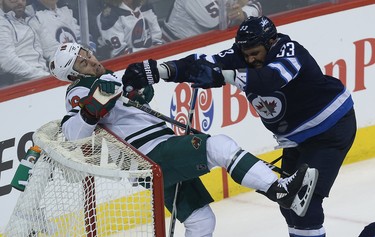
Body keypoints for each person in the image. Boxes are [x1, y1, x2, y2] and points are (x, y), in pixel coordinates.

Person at [49, 42, 318, 237]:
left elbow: (129, 104)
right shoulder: (80, 89)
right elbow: (73, 133)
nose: (92, 60)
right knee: (218, 146)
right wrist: (93, 106)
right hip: (150, 155)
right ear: (73, 75)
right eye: (83, 62)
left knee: (201, 221)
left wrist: (137, 90)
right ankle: (278, 189)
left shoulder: (108, 78)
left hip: (153, 161)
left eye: (89, 53)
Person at [123, 15, 357, 237]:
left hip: (330, 129)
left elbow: (270, 80)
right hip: (296, 139)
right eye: (245, 55)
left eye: (255, 53)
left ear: (271, 42)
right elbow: (204, 63)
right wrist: (158, 71)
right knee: (287, 202)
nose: (250, 59)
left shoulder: (289, 51)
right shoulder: (242, 54)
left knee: (305, 204)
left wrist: (222, 76)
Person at [25, 0, 96, 63]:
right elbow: (49, 51)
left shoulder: (66, 10)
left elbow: (84, 37)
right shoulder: (32, 16)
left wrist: (87, 54)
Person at [0, 0, 50, 87]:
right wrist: (43, 76)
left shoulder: (30, 18)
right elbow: (7, 61)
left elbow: (49, 48)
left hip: (43, 75)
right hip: (20, 83)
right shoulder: (2, 22)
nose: (20, 2)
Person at [161, 0, 262, 42]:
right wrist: (240, 6)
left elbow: (256, 6)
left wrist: (243, 14)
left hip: (201, 47)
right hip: (173, 49)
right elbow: (220, 26)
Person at [96, 0, 164, 60]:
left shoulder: (145, 6)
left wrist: (156, 52)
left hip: (152, 58)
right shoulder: (109, 16)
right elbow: (119, 53)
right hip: (125, 66)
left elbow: (157, 37)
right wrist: (149, 53)